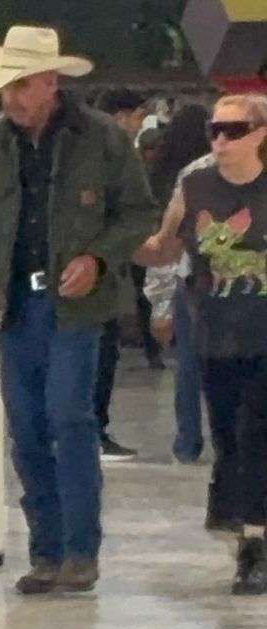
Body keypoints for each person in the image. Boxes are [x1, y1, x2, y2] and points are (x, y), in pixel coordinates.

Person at [0, 27, 158, 596]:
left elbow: (137, 213)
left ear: (51, 82)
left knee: (68, 416)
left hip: (76, 308)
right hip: (12, 306)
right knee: (27, 428)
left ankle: (81, 550)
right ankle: (46, 552)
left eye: (21, 84)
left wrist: (97, 259)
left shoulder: (102, 140)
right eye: (5, 86)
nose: (10, 97)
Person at [136, 94, 267, 593]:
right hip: (215, 331)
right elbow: (165, 248)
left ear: (260, 134)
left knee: (256, 433)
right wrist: (111, 243)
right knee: (228, 436)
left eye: (234, 130)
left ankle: (254, 542)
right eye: (215, 129)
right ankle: (240, 525)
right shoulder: (195, 183)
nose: (221, 140)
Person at [145, 104, 215, 464]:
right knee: (189, 367)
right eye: (218, 130)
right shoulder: (196, 175)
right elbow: (167, 241)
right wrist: (161, 304)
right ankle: (188, 442)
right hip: (196, 284)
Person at [93, 89, 160, 464]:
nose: (139, 123)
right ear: (120, 117)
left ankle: (94, 429)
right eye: (137, 116)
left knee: (104, 350)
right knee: (99, 353)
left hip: (110, 267)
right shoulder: (107, 155)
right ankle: (94, 432)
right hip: (100, 270)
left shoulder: (111, 152)